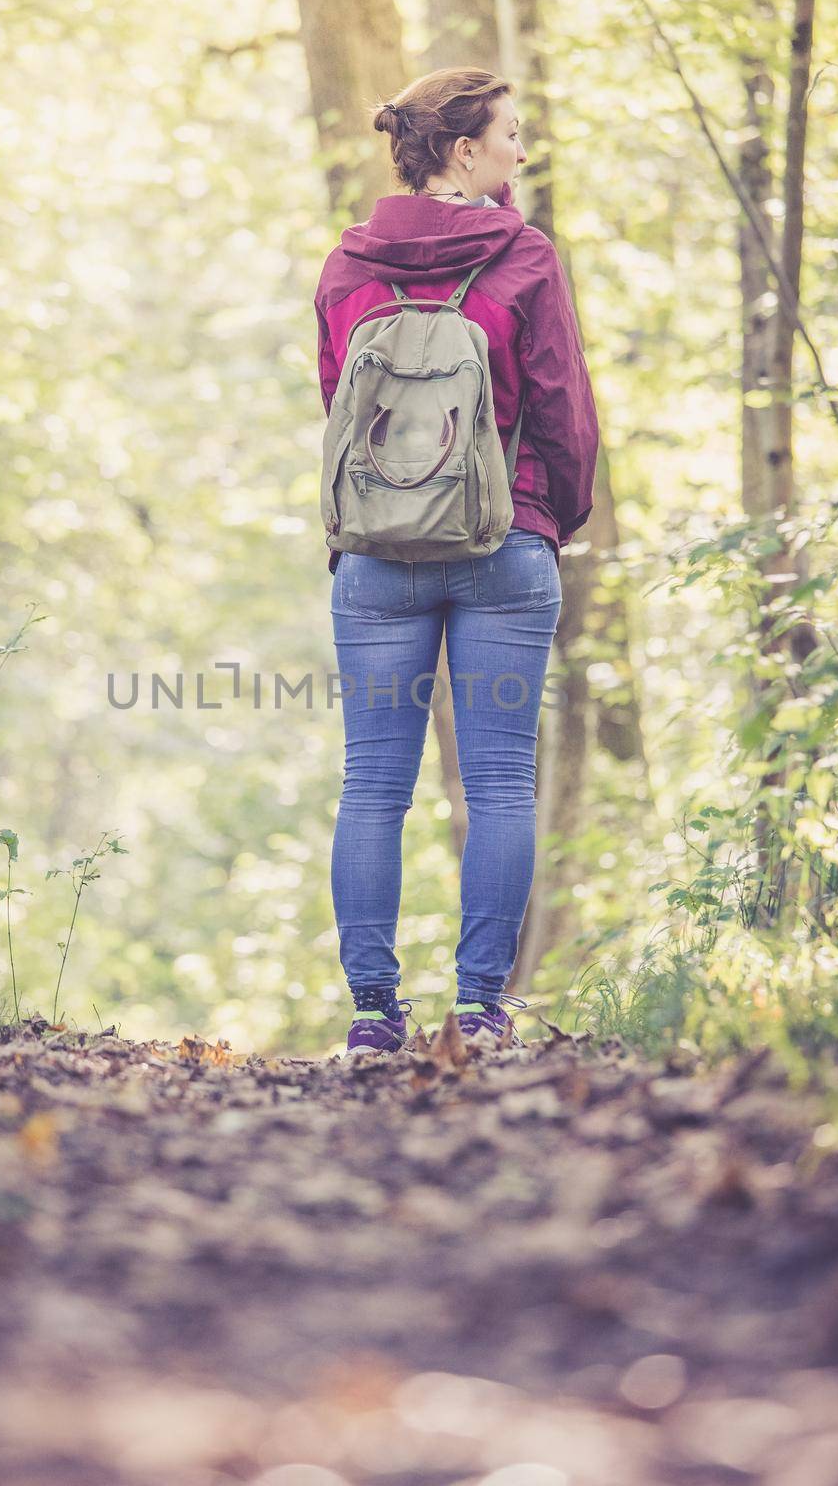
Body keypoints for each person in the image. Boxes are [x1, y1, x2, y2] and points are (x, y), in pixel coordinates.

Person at [313, 67, 599, 1055]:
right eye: (511, 136)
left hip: (377, 557)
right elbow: (561, 409)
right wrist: (548, 520)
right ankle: (478, 1009)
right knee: (501, 787)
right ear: (465, 151)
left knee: (371, 787)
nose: (522, 152)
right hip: (502, 542)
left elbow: (336, 411)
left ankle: (368, 1013)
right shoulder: (522, 257)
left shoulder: (348, 265)